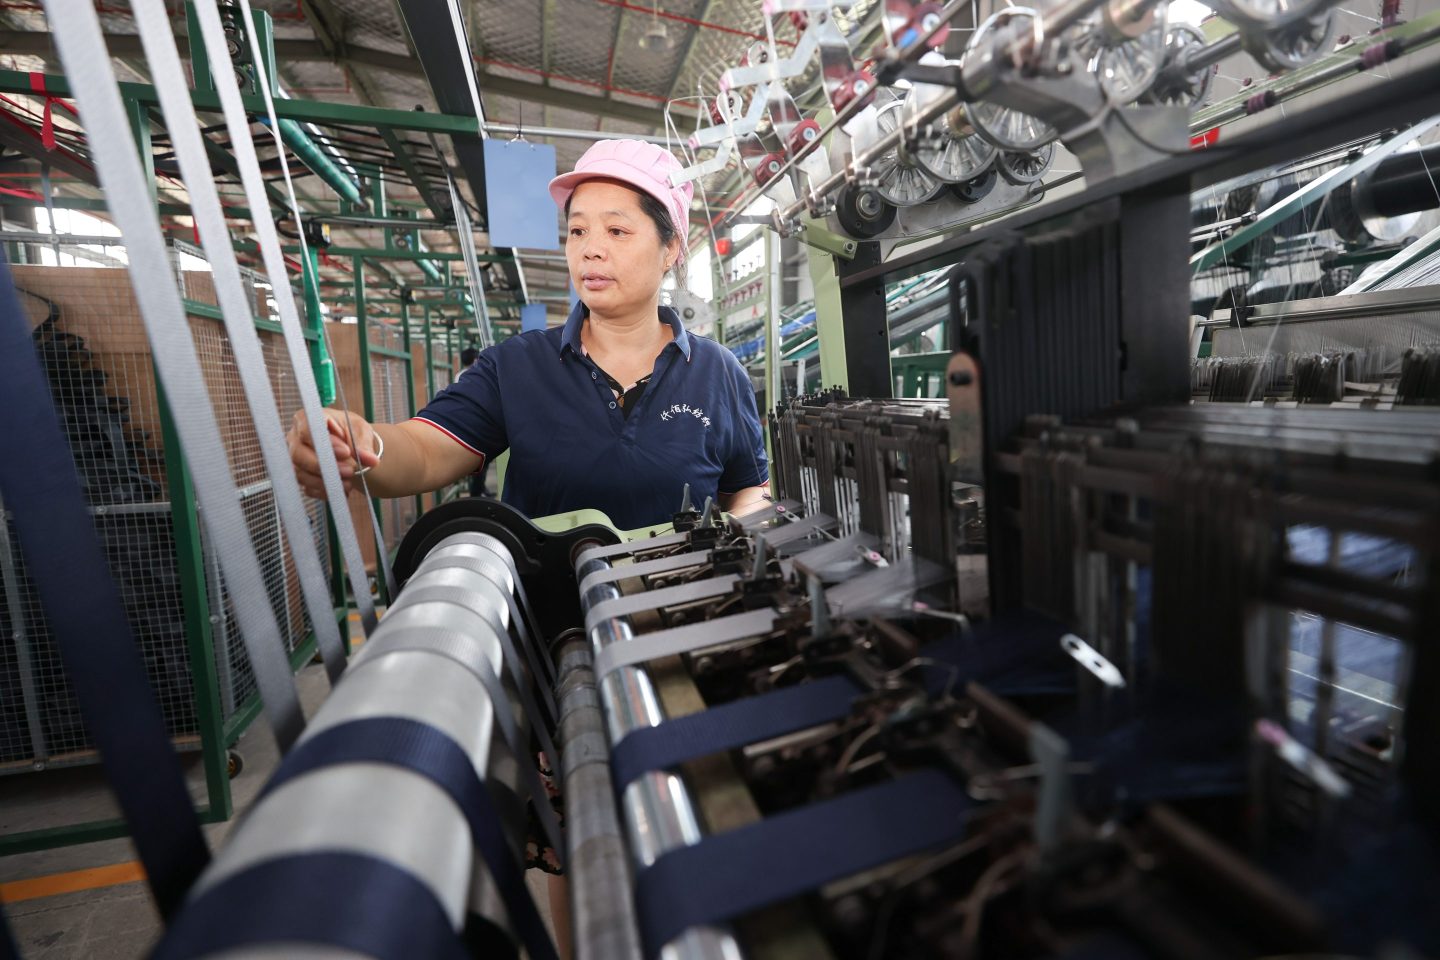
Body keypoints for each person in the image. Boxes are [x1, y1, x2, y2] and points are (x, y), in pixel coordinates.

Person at [287, 137, 770, 528]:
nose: (590, 250)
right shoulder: (516, 366)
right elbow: (426, 451)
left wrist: (741, 530)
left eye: (617, 231)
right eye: (578, 231)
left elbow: (747, 485)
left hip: (686, 614)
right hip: (551, 632)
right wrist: (364, 445)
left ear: (671, 250)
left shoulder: (717, 373)